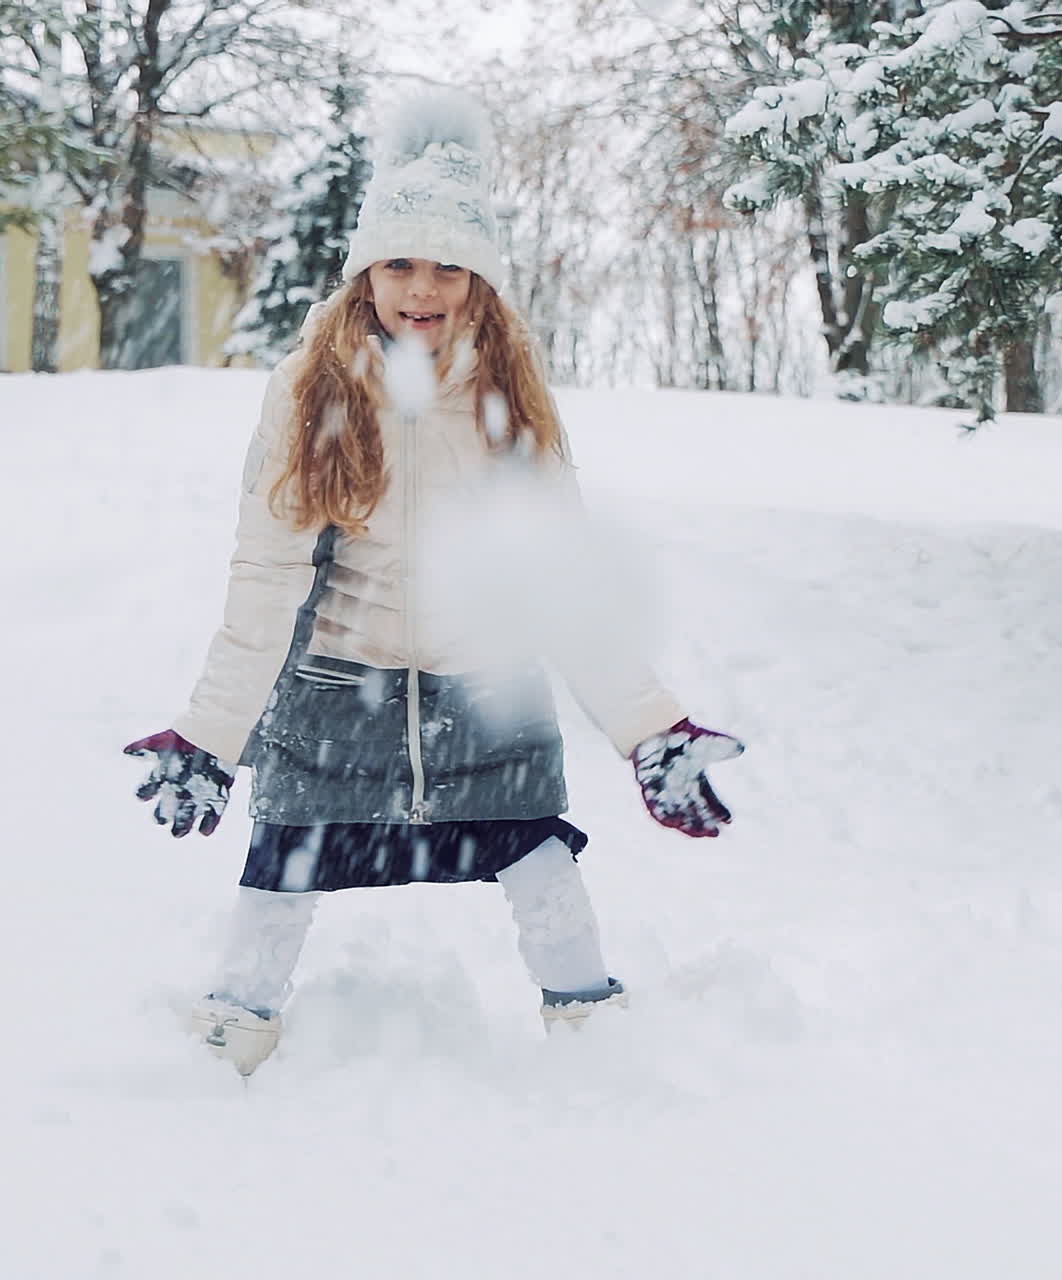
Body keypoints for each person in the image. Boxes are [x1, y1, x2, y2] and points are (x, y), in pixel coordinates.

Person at [122, 89, 743, 1075]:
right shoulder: (310, 388)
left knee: (540, 857)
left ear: (481, 279)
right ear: (366, 268)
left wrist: (650, 727)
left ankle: (593, 1029)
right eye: (400, 261)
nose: (423, 286)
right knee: (281, 863)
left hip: (482, 689)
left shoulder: (507, 392)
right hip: (336, 684)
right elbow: (267, 573)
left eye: (449, 263)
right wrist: (211, 732)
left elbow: (562, 579)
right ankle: (233, 1028)